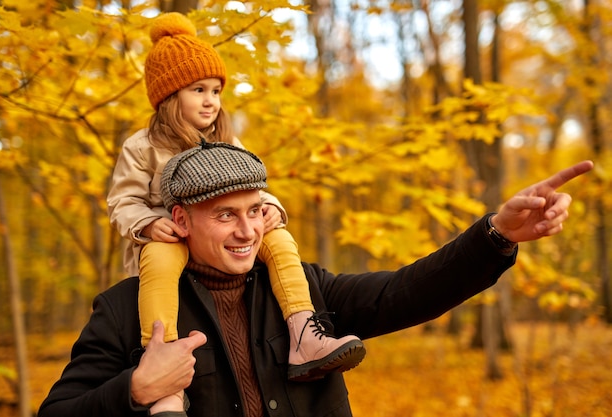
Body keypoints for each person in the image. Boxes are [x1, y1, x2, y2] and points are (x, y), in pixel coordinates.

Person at [38, 137, 593, 417]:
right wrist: (134, 390)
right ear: (178, 219)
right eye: (225, 215)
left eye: (255, 211)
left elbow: (407, 292)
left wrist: (495, 234)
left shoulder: (299, 286)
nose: (247, 232)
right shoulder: (123, 309)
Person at [106, 12, 364, 413]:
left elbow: (256, 189)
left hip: (223, 239)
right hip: (172, 238)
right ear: (169, 95)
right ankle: (162, 363)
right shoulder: (142, 146)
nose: (211, 100)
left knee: (279, 240)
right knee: (156, 257)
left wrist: (271, 210)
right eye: (198, 90)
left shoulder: (227, 140)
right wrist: (147, 223)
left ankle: (302, 332)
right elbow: (123, 201)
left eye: (216, 90)